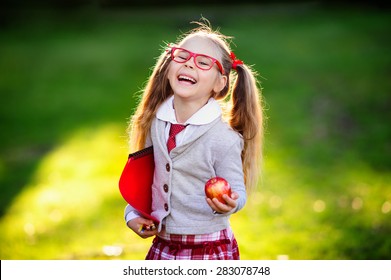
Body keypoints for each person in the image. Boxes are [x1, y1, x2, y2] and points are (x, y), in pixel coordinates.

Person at [124, 20, 264, 260]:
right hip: (164, 245)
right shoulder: (155, 123)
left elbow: (237, 190)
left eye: (203, 62)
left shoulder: (223, 137)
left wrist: (231, 202)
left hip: (208, 247)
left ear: (220, 84)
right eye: (183, 56)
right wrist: (133, 215)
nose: (190, 63)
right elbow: (146, 179)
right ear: (169, 68)